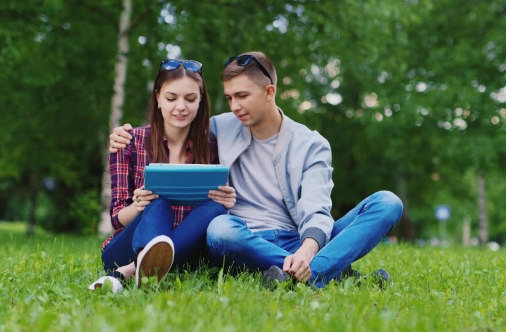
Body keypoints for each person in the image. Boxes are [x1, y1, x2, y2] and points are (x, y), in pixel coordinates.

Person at [108, 52, 403, 289]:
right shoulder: (222, 127)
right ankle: (331, 272)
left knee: (387, 202)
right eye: (230, 97)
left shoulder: (311, 144)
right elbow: (177, 120)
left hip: (299, 236)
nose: (235, 106)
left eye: (242, 96)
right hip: (244, 239)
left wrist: (307, 250)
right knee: (220, 228)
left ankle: (307, 272)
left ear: (269, 91)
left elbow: (316, 209)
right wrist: (125, 135)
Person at [89, 59, 236, 293]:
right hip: (124, 248)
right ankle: (137, 263)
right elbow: (117, 219)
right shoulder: (128, 142)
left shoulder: (212, 149)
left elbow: (207, 220)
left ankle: (129, 271)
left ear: (200, 101)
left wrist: (227, 201)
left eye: (190, 99)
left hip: (184, 252)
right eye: (171, 98)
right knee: (160, 204)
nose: (181, 107)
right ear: (157, 98)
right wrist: (139, 206)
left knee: (216, 209)